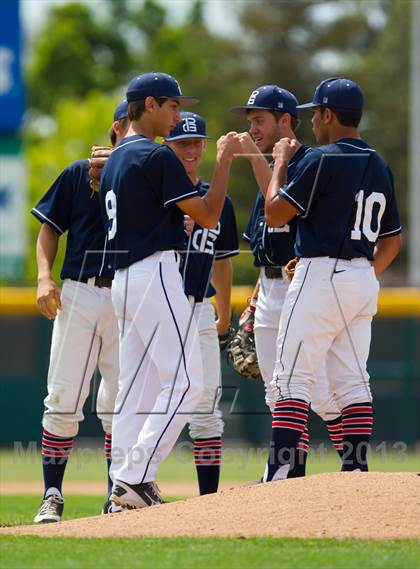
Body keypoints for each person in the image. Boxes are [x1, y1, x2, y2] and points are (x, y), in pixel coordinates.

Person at [100, 72, 240, 510]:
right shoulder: (157, 157)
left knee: (136, 390)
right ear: (151, 104)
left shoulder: (117, 157)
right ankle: (136, 477)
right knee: (187, 383)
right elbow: (209, 216)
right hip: (155, 271)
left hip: (123, 279)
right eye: (173, 105)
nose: (177, 114)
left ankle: (118, 486)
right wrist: (224, 163)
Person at [264, 77, 402, 478]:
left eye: (314, 114)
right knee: (354, 380)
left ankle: (281, 472)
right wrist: (361, 278)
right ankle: (355, 469)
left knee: (290, 378)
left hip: (321, 272)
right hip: (362, 276)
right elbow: (393, 241)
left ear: (328, 114)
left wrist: (281, 164)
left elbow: (274, 213)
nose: (312, 123)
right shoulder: (379, 163)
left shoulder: (320, 159)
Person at [231, 86, 342, 479]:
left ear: (285, 120)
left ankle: (354, 463)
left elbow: (281, 212)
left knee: (321, 392)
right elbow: (262, 242)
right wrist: (255, 297)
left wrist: (265, 164)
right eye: (249, 121)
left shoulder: (310, 163)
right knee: (275, 391)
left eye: (259, 119)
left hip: (301, 287)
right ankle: (286, 474)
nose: (253, 128)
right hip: (269, 287)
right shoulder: (270, 163)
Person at [31, 100, 130, 523]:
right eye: (131, 127)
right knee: (63, 397)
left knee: (122, 401)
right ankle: (52, 494)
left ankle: (118, 494)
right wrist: (43, 277)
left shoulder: (150, 178)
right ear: (115, 129)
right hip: (81, 291)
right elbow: (49, 228)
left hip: (128, 295)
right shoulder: (77, 173)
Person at [165, 111, 239, 494]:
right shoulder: (155, 195)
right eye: (182, 143)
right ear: (167, 146)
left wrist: (224, 316)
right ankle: (128, 489)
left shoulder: (217, 199)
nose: (191, 150)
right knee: (152, 404)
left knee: (208, 410)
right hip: (159, 311)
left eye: (197, 143)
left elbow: (223, 263)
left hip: (199, 308)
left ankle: (208, 500)